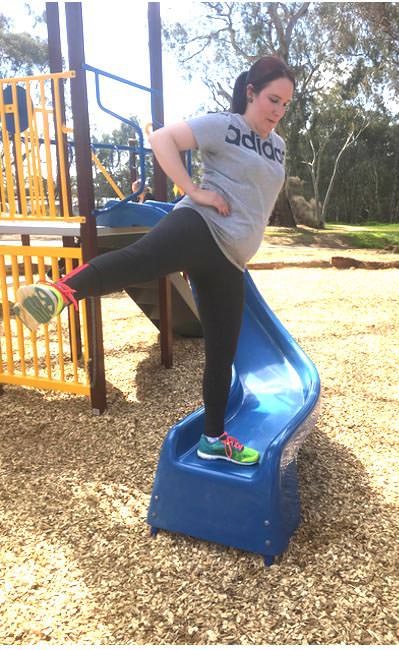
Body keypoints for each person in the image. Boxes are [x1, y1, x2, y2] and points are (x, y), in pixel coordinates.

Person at [12, 56, 296, 466]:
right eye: (273, 99)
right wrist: (194, 191)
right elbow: (162, 138)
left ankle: (213, 438)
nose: (278, 111)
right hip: (200, 228)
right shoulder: (225, 125)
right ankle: (55, 294)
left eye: (286, 105)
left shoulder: (278, 146)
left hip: (232, 261)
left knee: (222, 351)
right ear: (251, 93)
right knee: (138, 260)